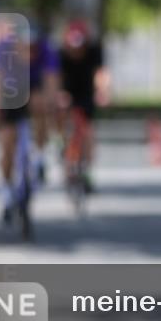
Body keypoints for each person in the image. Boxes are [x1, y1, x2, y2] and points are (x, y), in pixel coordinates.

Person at [0, 23, 60, 222]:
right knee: (6, 146)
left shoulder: (46, 51)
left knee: (41, 105)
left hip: (34, 89)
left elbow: (51, 83)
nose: (29, 52)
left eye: (33, 48)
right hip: (9, 93)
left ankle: (39, 157)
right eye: (24, 47)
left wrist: (51, 104)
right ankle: (5, 192)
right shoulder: (3, 51)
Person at [58, 19, 108, 192]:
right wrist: (59, 94)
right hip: (67, 92)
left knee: (88, 132)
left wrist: (102, 92)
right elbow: (55, 79)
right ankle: (65, 155)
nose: (76, 49)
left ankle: (86, 169)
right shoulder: (61, 55)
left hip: (86, 93)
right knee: (66, 126)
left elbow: (100, 74)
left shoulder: (94, 52)